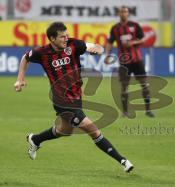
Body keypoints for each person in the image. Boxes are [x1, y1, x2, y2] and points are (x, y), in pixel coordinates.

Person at [14, 22, 133, 173]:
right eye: (62, 36)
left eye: (66, 35)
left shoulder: (74, 45)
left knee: (65, 130)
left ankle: (35, 139)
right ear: (52, 39)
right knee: (93, 130)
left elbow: (95, 46)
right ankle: (122, 161)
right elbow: (25, 58)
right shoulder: (42, 52)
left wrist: (97, 49)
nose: (66, 38)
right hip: (61, 100)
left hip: (76, 97)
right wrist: (20, 79)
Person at [105, 6, 154, 118]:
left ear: (128, 14)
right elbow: (109, 42)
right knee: (124, 86)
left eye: (125, 11)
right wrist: (107, 55)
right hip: (124, 62)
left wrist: (132, 43)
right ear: (119, 14)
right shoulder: (115, 28)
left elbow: (142, 39)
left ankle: (148, 110)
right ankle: (125, 112)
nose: (123, 13)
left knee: (144, 84)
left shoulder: (135, 26)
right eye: (122, 12)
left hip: (137, 60)